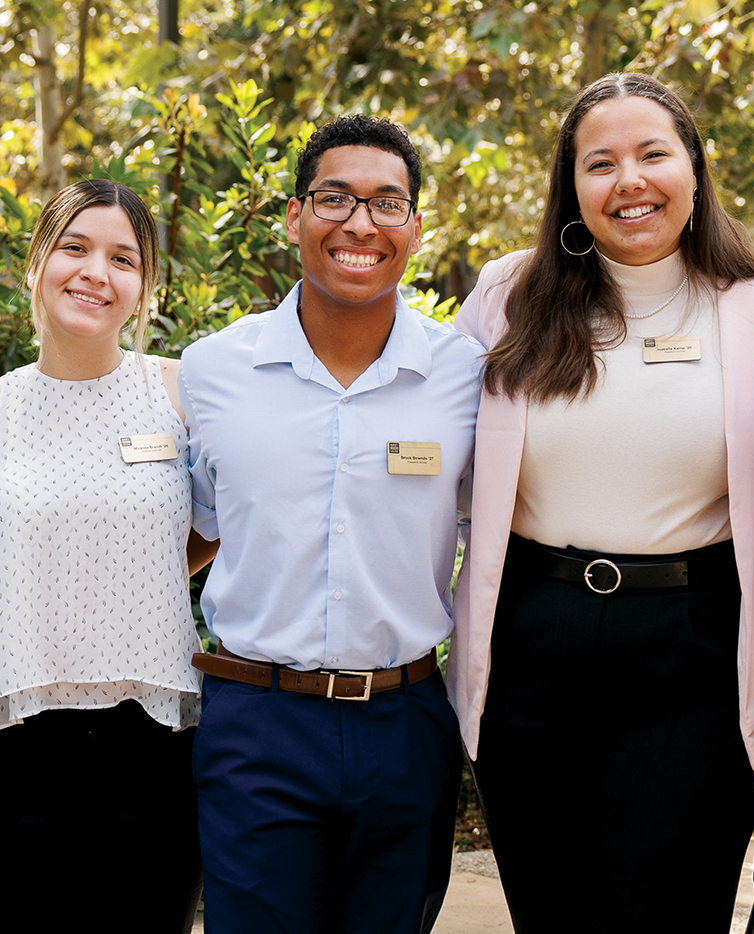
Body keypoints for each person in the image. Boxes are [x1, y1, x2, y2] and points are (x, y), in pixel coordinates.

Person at [449, 72, 754, 932]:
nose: (630, 181)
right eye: (600, 162)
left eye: (653, 154)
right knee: (554, 910)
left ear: (694, 167)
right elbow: (442, 466)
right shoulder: (508, 297)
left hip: (694, 644)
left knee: (672, 910)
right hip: (532, 641)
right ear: (571, 186)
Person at [181, 115, 484, 934]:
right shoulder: (214, 369)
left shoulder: (463, 374)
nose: (360, 224)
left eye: (388, 203)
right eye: (335, 199)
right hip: (257, 723)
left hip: (406, 720)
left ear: (416, 229)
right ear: (293, 216)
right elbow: (196, 526)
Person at [0, 179, 215, 930]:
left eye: (122, 258)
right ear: (36, 263)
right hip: (10, 749)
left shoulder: (183, 395)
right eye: (75, 247)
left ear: (143, 287)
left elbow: (206, 533)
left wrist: (131, 574)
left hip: (153, 744)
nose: (97, 271)